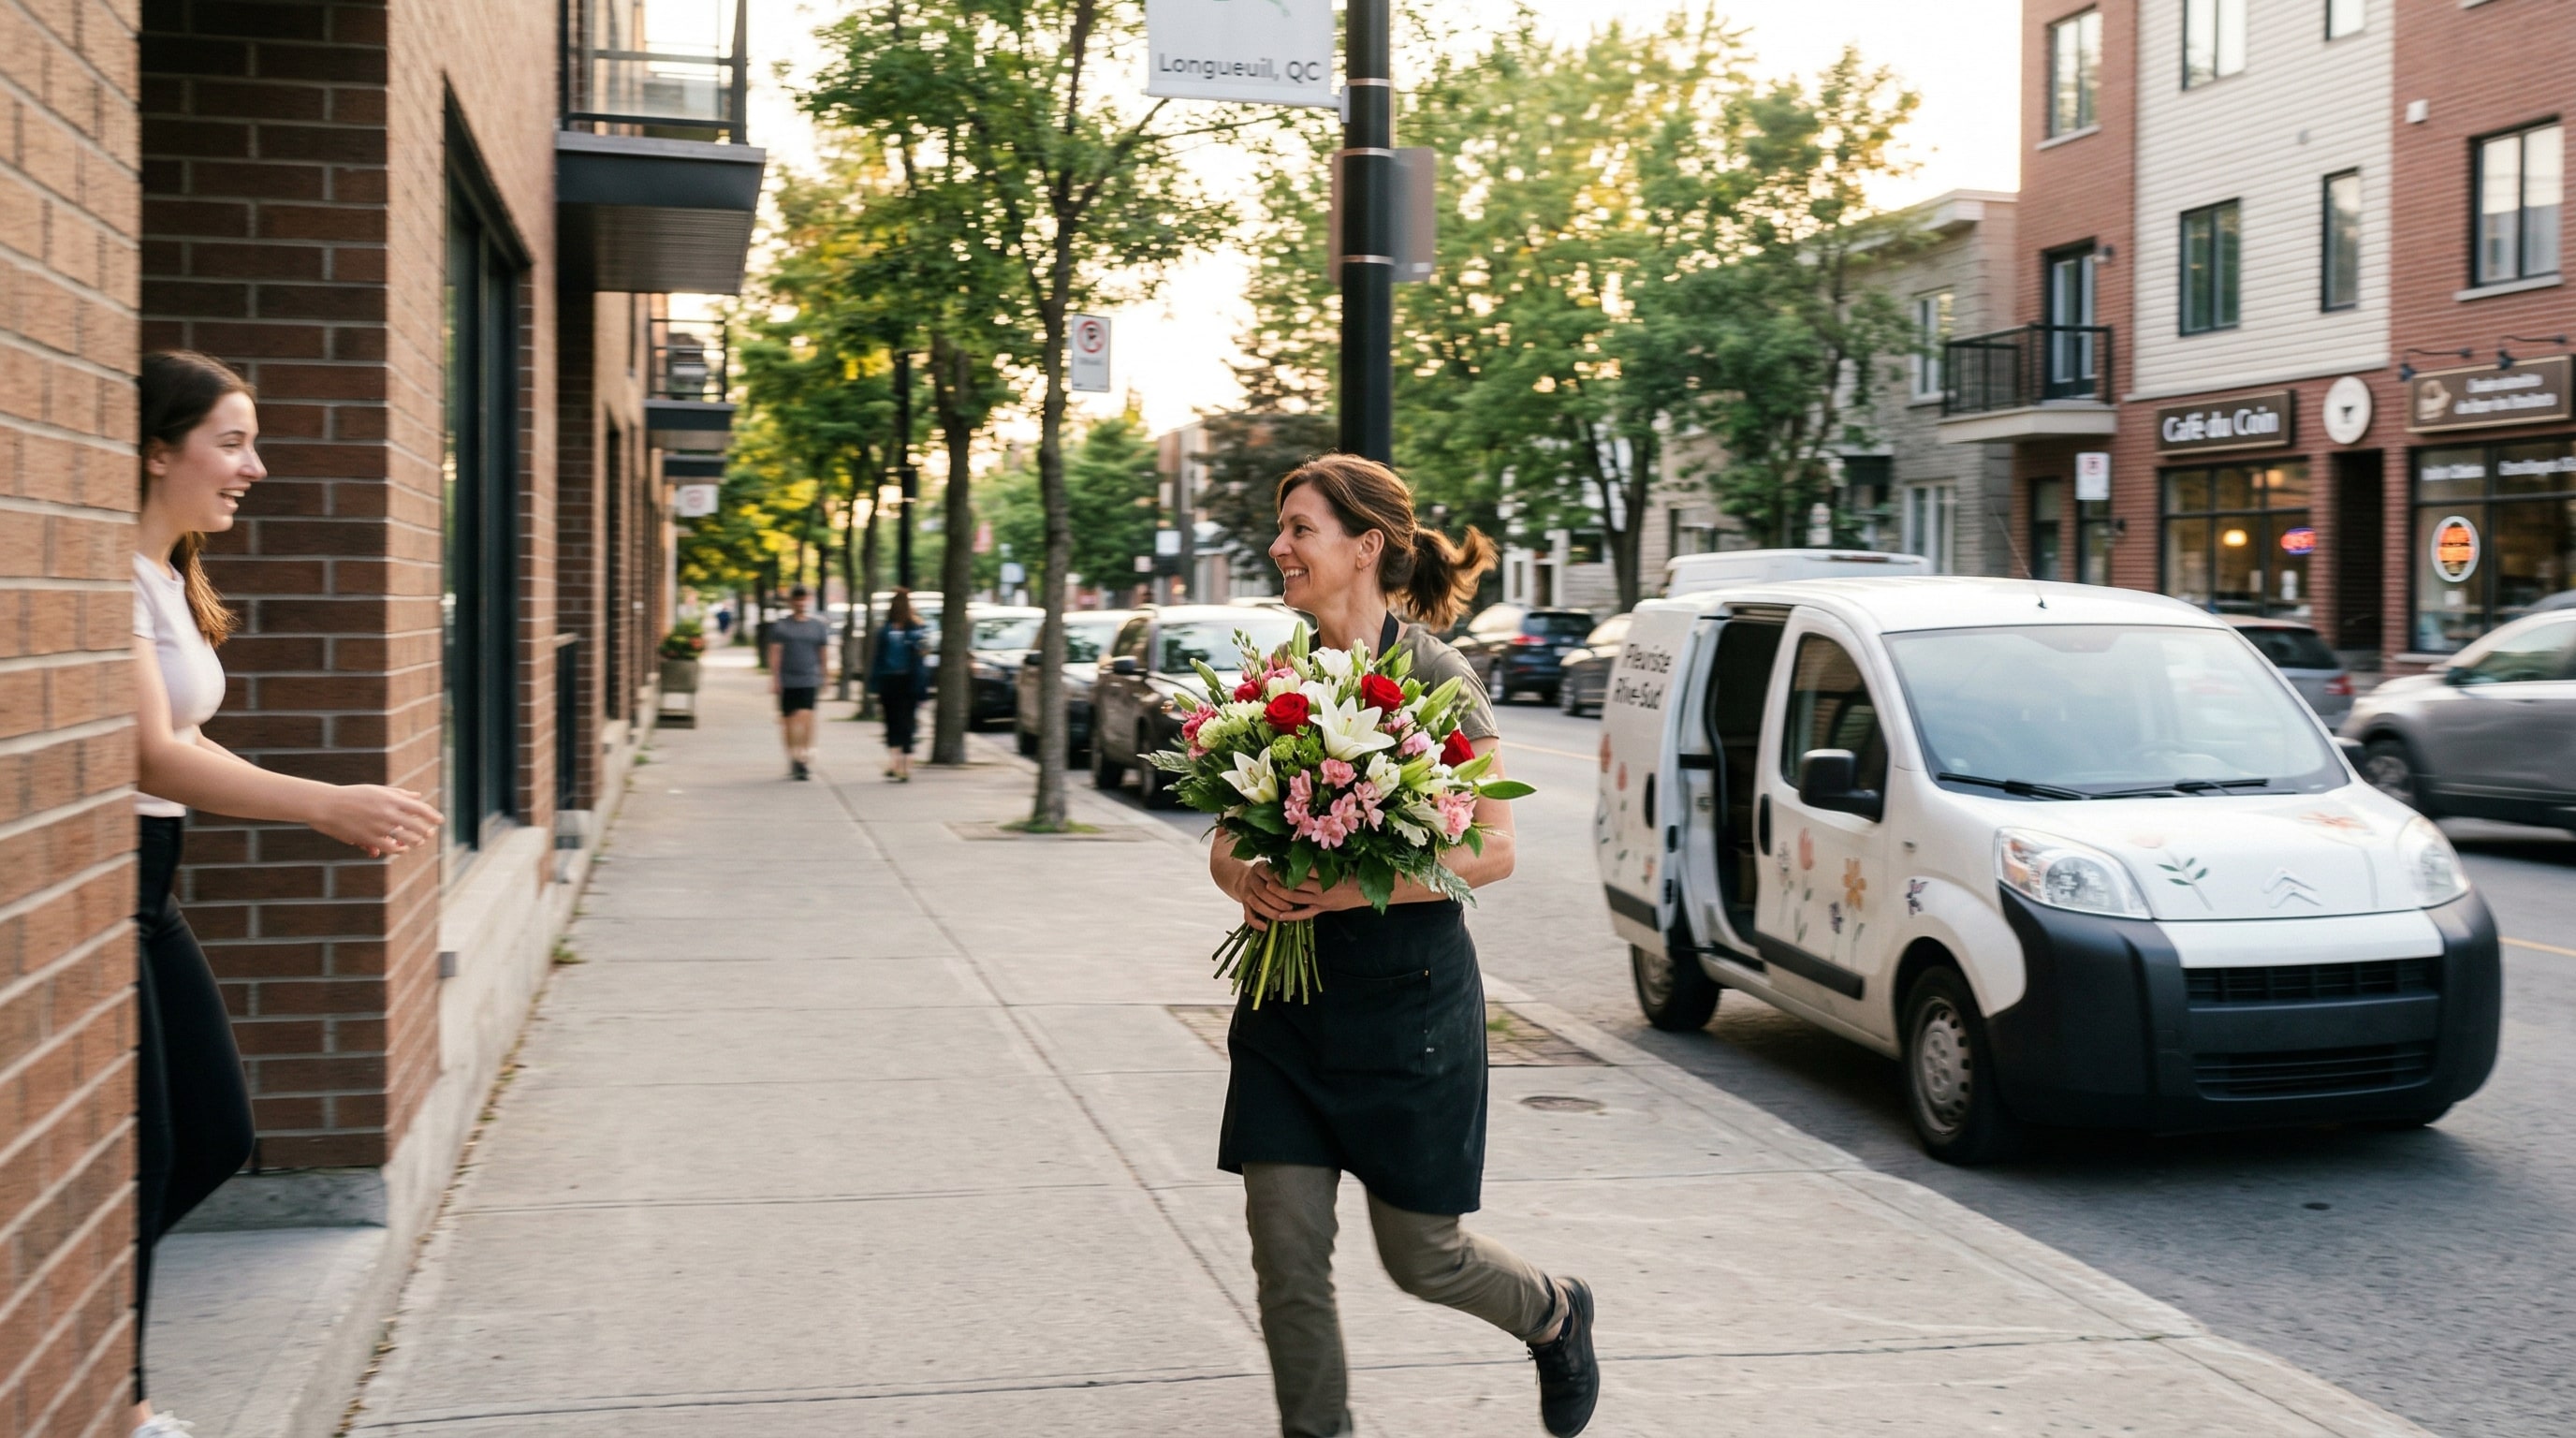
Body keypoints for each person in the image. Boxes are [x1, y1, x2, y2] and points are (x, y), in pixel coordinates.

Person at [1207, 455, 1598, 1438]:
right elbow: (1223, 836)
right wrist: (1246, 879)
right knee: (1284, 1250)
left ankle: (1552, 1313)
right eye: (1281, 527)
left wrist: (1335, 886)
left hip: (1408, 1007)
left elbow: (1494, 847)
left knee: (1420, 1255)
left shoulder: (1436, 677)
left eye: (1299, 527)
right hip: (1286, 1013)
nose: (1279, 546)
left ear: (1364, 546)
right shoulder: (1278, 683)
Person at [127, 352, 446, 1438]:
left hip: (153, 888)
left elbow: (180, 743)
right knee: (157, 1151)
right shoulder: (109, 575)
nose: (252, 468)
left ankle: (79, 1348)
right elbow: (155, 758)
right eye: (229, 442)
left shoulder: (169, 577)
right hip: (114, 881)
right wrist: (324, 804)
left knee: (213, 1135)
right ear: (155, 449)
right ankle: (118, 1401)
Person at [766, 586, 833, 780]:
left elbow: (823, 653)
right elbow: (775, 653)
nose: (800, 603)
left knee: (805, 717)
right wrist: (775, 678)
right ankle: (793, 757)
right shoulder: (781, 627)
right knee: (788, 722)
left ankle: (803, 756)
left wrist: (825, 676)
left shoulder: (817, 626)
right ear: (791, 602)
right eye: (797, 600)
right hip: (787, 680)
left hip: (809, 678)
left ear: (809, 600)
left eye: (804, 599)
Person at [870, 590, 929, 781]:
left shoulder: (890, 630)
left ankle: (898, 763)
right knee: (906, 723)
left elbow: (878, 659)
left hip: (894, 681)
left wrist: (874, 685)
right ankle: (903, 765)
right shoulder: (915, 629)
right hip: (905, 681)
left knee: (894, 723)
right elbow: (923, 657)